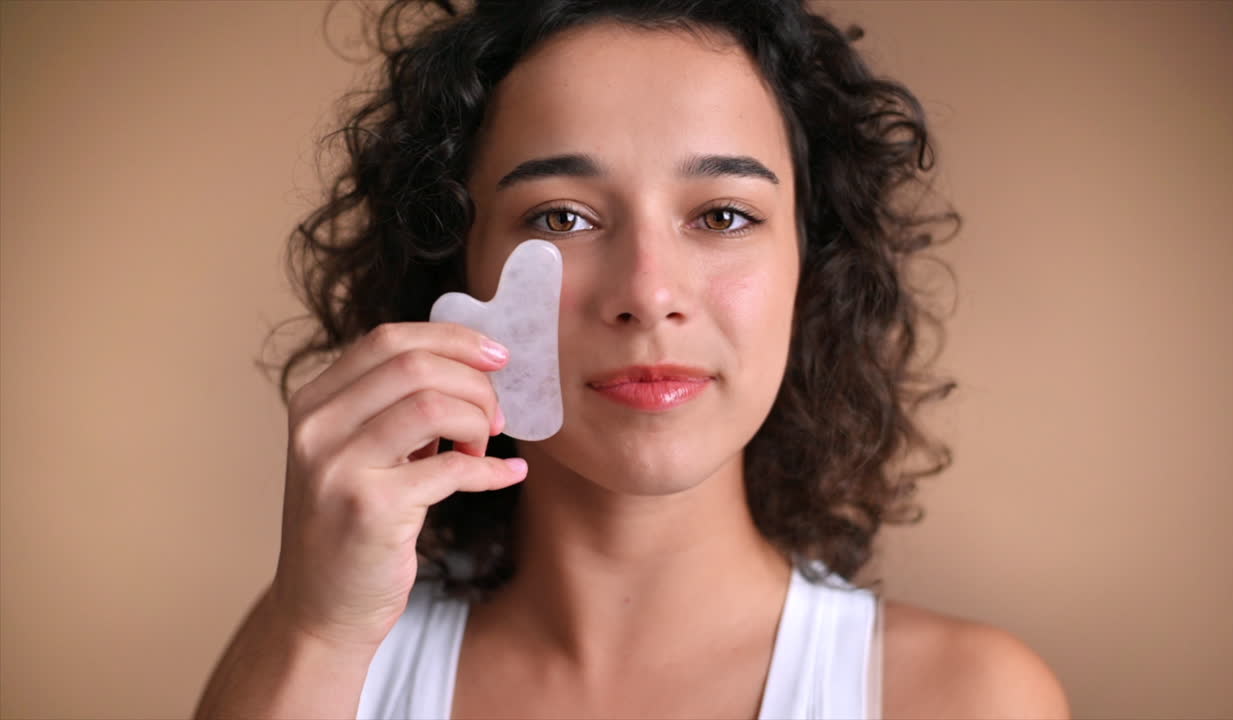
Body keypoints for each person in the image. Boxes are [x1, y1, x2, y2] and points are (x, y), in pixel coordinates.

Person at [196, 0, 1070, 718]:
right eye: (561, 218)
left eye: (723, 215)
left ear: (813, 270)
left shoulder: (966, 698)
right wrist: (314, 636)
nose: (649, 294)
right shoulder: (320, 660)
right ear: (455, 273)